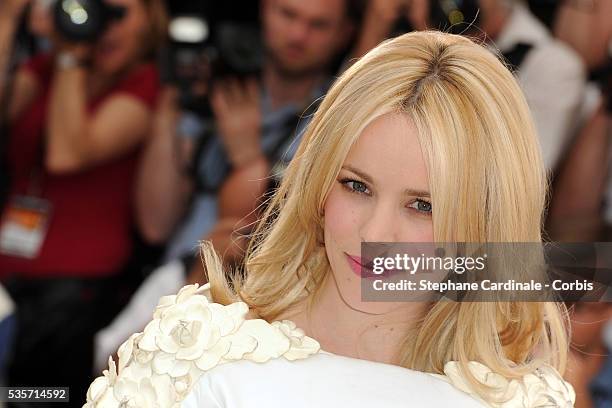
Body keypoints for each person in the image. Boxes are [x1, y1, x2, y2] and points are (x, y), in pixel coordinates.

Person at [85, 31, 575, 407]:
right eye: (356, 186)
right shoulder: (190, 351)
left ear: (487, 221)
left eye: (423, 205)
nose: (375, 234)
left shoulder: (517, 396)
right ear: (316, 184)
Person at [92, 0, 357, 371]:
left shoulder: (340, 115)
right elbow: (154, 224)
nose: (299, 35)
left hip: (264, 300)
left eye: (319, 25)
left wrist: (247, 157)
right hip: (177, 281)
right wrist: (173, 105)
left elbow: (285, 233)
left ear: (345, 33)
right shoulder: (210, 92)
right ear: (263, 11)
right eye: (288, 15)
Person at [0, 0, 167, 404]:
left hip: (73, 297)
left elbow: (67, 153)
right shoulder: (45, 68)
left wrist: (72, 55)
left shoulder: (146, 85)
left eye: (119, 14)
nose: (103, 27)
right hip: (8, 282)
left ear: (152, 19)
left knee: (40, 400)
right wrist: (7, 19)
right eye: (91, 10)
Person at [351, 0, 586, 173]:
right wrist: (379, 24)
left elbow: (521, 174)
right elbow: (345, 130)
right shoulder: (398, 35)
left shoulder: (551, 64)